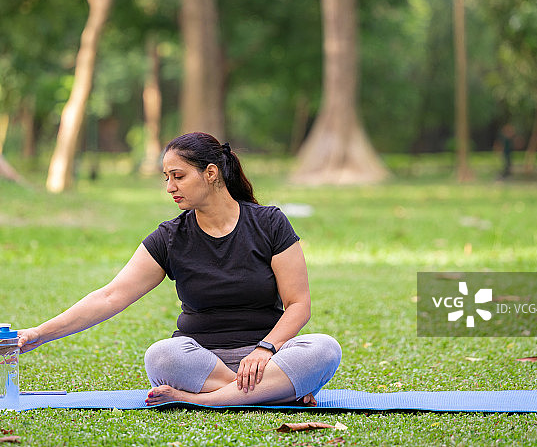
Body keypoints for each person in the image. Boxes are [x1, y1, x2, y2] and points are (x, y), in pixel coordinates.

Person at [17, 132, 342, 407]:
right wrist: (37, 334)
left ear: (211, 173)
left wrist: (264, 350)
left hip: (267, 357)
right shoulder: (171, 237)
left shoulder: (269, 223)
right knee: (161, 355)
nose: (170, 187)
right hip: (201, 359)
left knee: (325, 348)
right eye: (167, 177)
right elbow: (110, 296)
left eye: (179, 176)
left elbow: (298, 304)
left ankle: (200, 399)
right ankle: (272, 394)